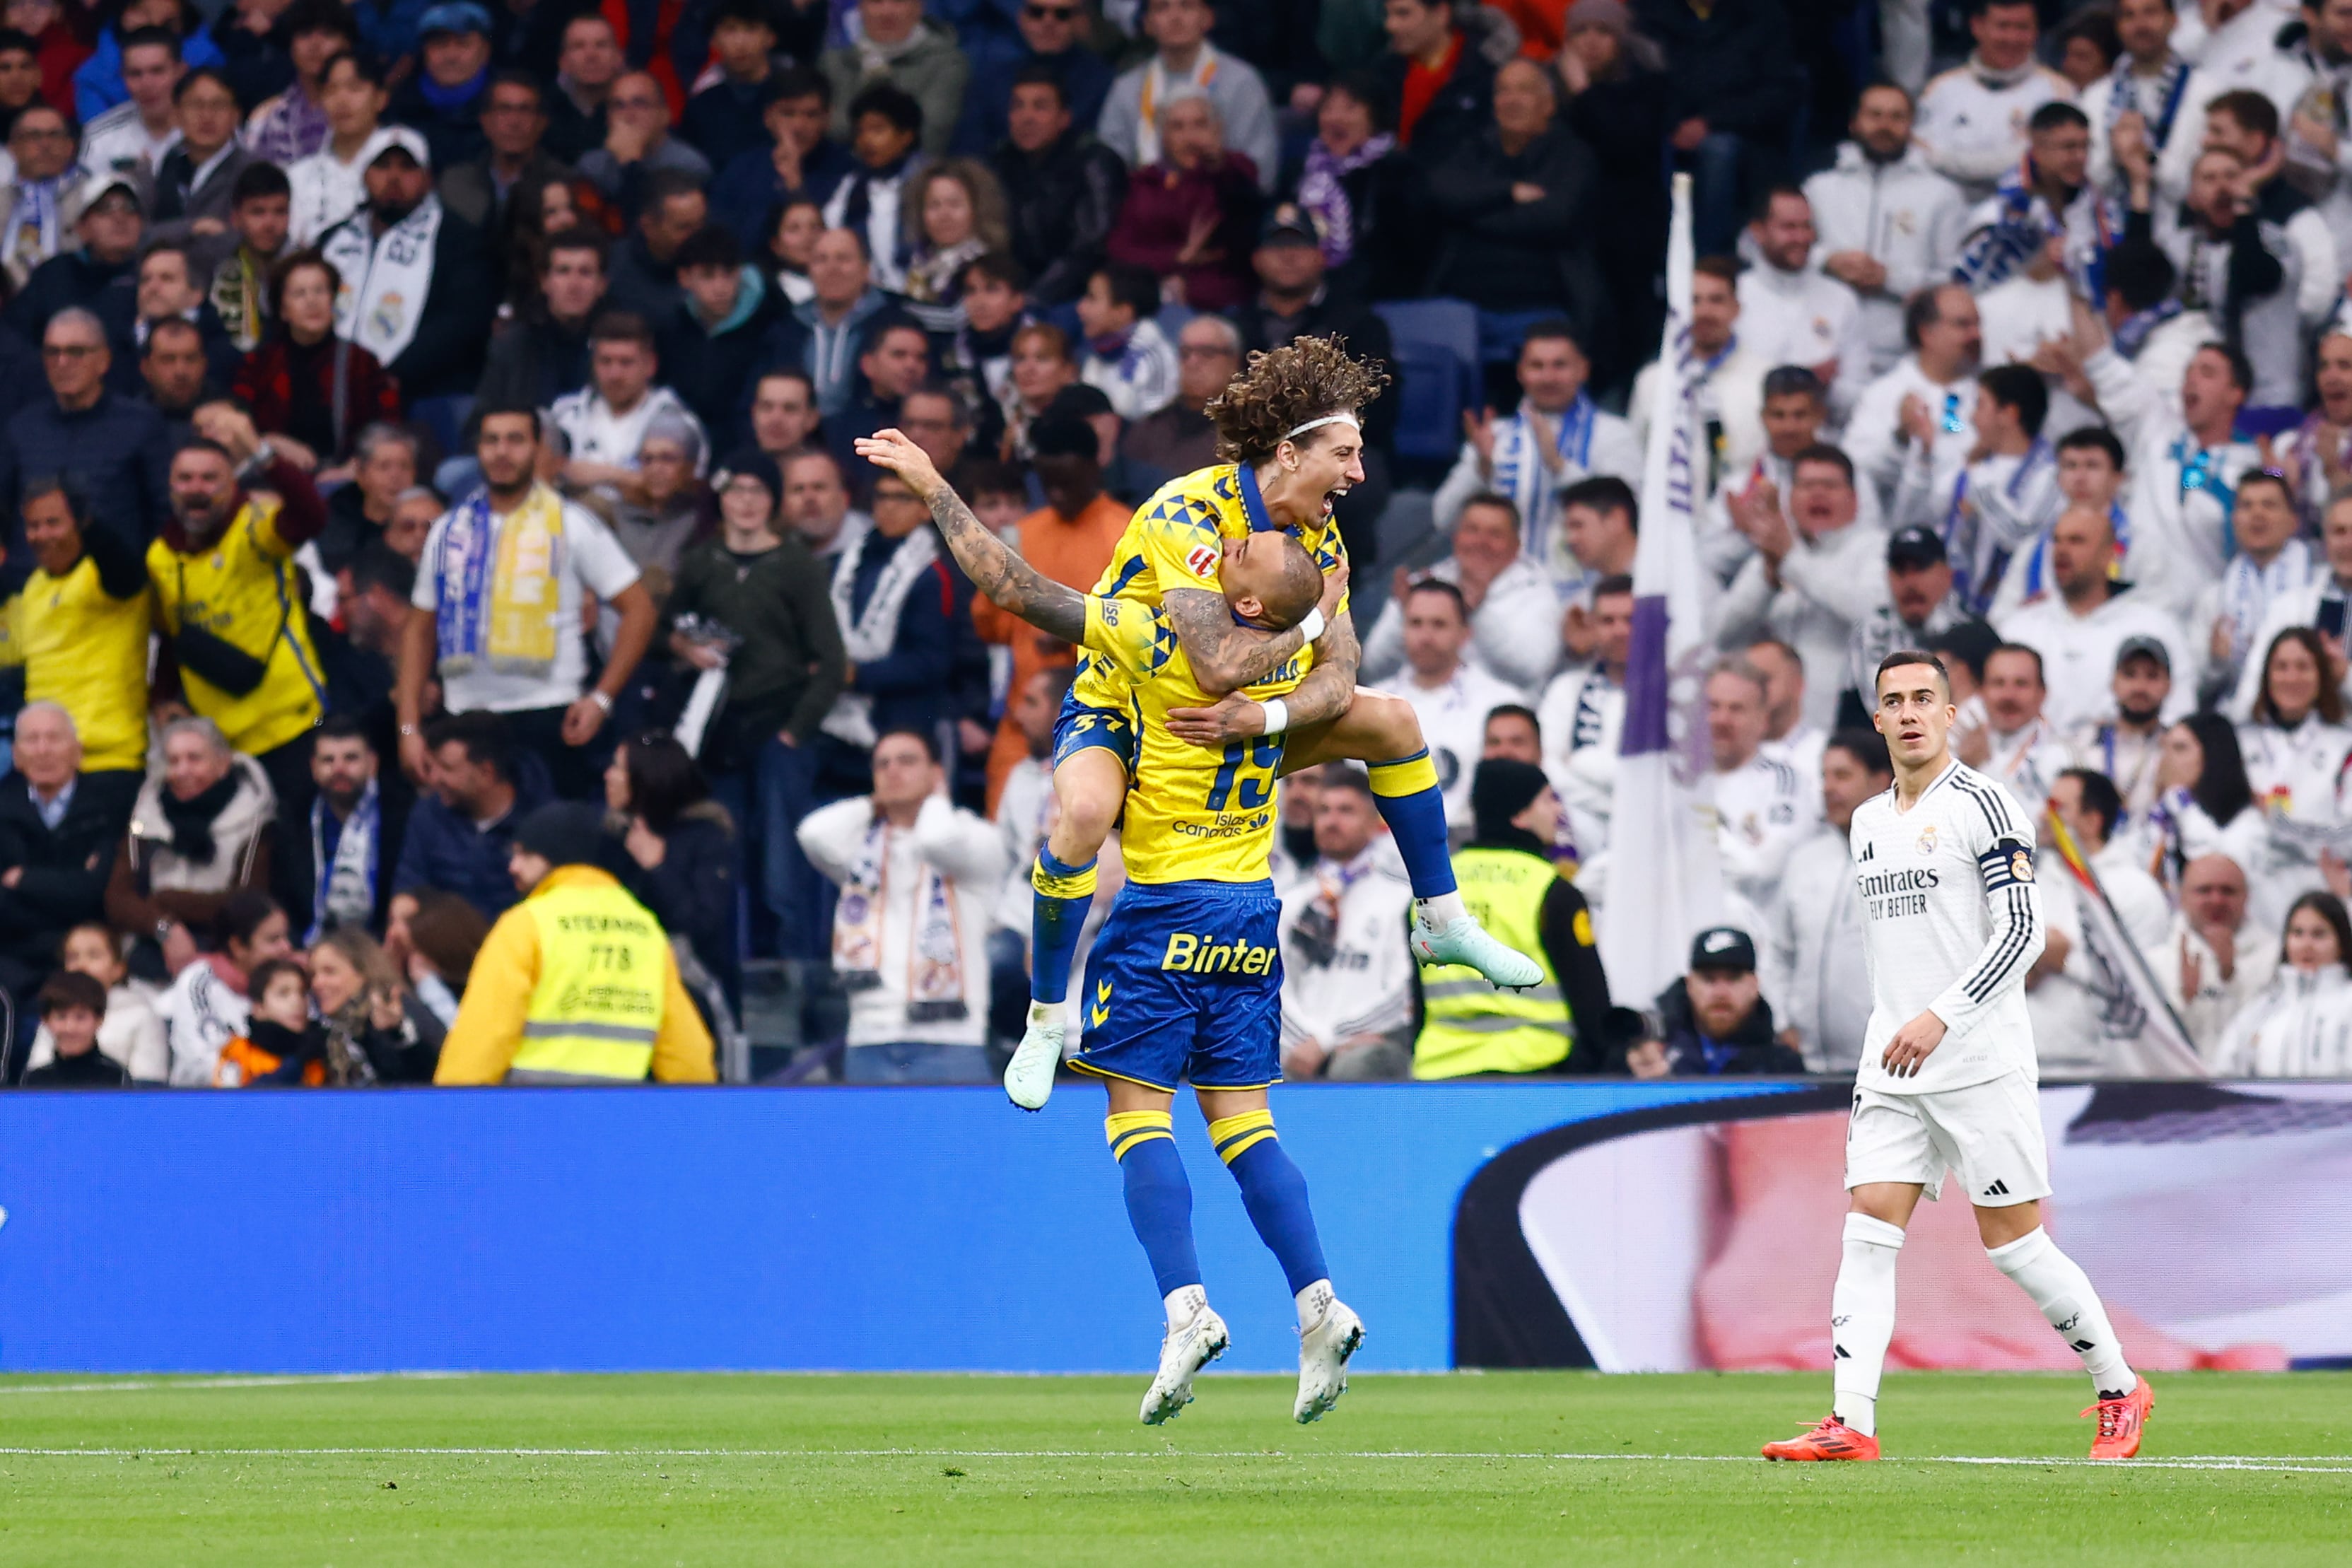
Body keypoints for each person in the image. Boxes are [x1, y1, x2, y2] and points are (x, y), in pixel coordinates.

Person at [848, 423, 1362, 1429]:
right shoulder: (1273, 672)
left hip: (1163, 914)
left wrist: (932, 485)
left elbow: (1013, 585)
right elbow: (1330, 678)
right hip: (1250, 914)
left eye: (1245, 559)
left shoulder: (1160, 637)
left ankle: (1184, 1307)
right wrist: (1310, 637)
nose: (1230, 548)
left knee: (1133, 1116)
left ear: (1244, 604)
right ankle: (1318, 1300)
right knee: (1246, 1126)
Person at [1760, 648, 2152, 1464]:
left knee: (2014, 1244)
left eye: (1923, 698)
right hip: (1893, 1063)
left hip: (1977, 1058)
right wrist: (1899, 1025)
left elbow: (2023, 932)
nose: (1908, 712)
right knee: (1868, 1227)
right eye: (1894, 700)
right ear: (1877, 720)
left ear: (1949, 714)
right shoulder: (1867, 821)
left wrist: (1942, 1016)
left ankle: (2120, 1387)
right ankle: (1851, 1423)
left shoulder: (1986, 804)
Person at [399, 406, 657, 802]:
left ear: (537, 449)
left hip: (551, 715)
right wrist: (409, 727)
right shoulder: (448, 530)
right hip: (467, 717)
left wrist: (602, 699)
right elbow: (419, 629)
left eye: (516, 440)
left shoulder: (573, 523)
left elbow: (640, 608)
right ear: (478, 451)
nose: (503, 451)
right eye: (492, 440)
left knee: (549, 851)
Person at [663, 447, 846, 963]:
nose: (745, 503)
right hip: (718, 737)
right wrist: (684, 648)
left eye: (757, 491)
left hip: (776, 729)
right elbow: (662, 631)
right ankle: (731, 977)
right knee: (724, 858)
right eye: (735, 491)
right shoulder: (702, 562)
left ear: (774, 501)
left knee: (781, 868)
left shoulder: (795, 566)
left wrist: (795, 731)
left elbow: (830, 660)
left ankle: (791, 980)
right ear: (720, 499)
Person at [433, 800, 717, 1084]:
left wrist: (452, 1112)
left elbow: (482, 1040)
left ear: (559, 856)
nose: (513, 866)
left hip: (534, 1119)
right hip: (618, 1120)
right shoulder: (645, 931)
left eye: (526, 854)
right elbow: (688, 1061)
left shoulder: (527, 925)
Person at [145, 410, 329, 816]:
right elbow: (177, 639)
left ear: (231, 486)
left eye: (210, 479)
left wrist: (261, 453)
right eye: (186, 479)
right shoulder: (159, 557)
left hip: (297, 725)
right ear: (170, 488)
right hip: (222, 747)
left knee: (295, 850)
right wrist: (161, 699)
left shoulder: (256, 526)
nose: (197, 489)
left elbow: (311, 515)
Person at [796, 727, 1003, 1082]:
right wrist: (871, 803)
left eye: (907, 761)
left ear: (937, 772)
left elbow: (937, 842)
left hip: (951, 1041)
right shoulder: (861, 853)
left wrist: (937, 799)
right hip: (869, 1037)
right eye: (882, 764)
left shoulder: (975, 839)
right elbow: (812, 834)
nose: (893, 771)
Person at [1413, 757, 1613, 1078]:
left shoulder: (1431, 890)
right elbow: (1591, 1002)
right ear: (1520, 815)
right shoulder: (1552, 892)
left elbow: (1420, 1004)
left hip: (1442, 1072)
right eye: (1548, 800)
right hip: (1535, 1070)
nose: (1558, 812)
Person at [973, 412, 1125, 809]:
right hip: (1022, 723)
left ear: (1094, 468)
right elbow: (988, 627)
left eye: (1068, 482)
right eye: (1047, 483)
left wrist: (1074, 632)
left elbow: (1143, 636)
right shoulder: (1021, 534)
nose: (1057, 493)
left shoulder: (1128, 536)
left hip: (1098, 722)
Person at [1432, 319, 1637, 579]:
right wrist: (1481, 469)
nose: (1548, 377)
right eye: (1537, 366)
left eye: (1559, 365)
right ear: (1520, 372)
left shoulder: (1614, 434)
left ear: (1583, 370)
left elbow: (1628, 521)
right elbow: (1443, 519)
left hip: (1590, 590)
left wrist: (1558, 465)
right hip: (1505, 590)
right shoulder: (1495, 435)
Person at [315, 124, 498, 400]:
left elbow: (461, 323)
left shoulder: (459, 240)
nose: (394, 177)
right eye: (383, 166)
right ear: (365, 175)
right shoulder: (334, 239)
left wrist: (393, 373)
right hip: (331, 384)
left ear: (427, 178)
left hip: (423, 390)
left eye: (407, 168)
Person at [1804, 81, 1972, 380]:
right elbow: (1771, 250)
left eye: (1897, 117)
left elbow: (1957, 279)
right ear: (1854, 123)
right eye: (1875, 115)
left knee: (1953, 424)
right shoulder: (1820, 188)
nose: (1885, 125)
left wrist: (1890, 278)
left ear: (1912, 126)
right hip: (1825, 344)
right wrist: (1827, 262)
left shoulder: (1942, 194)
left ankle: (1954, 427)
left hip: (1908, 353)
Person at [1424, 58, 1596, 346]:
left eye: (1524, 91)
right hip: (1462, 305)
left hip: (1543, 307)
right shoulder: (1475, 148)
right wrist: (1509, 192)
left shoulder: (1572, 155)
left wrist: (1472, 215)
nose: (1511, 100)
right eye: (1503, 91)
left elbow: (1555, 218)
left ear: (1549, 104)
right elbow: (1441, 193)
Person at [1714, 445, 1887, 730]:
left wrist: (1792, 561)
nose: (1818, 494)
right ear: (1790, 499)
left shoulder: (1875, 548)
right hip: (1768, 727)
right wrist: (1768, 578)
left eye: (1830, 485)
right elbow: (1723, 635)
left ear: (1854, 500)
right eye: (1807, 485)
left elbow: (1870, 610)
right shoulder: (1774, 552)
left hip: (1841, 724)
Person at [0, 307, 172, 586]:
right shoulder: (21, 427)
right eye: (52, 352)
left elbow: (163, 514)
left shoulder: (141, 425)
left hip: (109, 593)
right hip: (27, 590)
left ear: (104, 360)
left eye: (76, 352)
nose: (62, 362)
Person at [1760, 730, 1893, 1072]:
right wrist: (1782, 1022)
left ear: (1882, 781)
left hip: (1887, 1068)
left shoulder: (1912, 861)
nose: (1828, 787)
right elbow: (1778, 951)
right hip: (1808, 1066)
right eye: (1824, 776)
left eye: (1843, 776)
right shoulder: (1805, 861)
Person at [104, 713, 276, 976]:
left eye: (195, 759)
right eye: (173, 761)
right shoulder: (146, 814)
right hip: (150, 943)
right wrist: (165, 926)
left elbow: (246, 903)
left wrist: (167, 900)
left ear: (223, 763)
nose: (182, 771)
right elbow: (118, 899)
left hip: (226, 948)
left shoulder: (255, 820)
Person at [1996, 508, 2191, 734]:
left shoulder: (2155, 626)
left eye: (2076, 541)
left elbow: (2178, 716)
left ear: (2108, 554)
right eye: (2057, 541)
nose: (2061, 551)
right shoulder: (2019, 628)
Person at [1275, 768, 1414, 1082]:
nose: (1331, 821)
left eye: (1346, 811)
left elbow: (1403, 992)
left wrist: (1328, 1040)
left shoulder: (1400, 899)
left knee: (1354, 1067)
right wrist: (1304, 1042)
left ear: (1375, 821)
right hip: (1297, 1049)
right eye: (1323, 811)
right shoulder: (1291, 901)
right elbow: (1272, 985)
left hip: (1366, 1047)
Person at [8, 481, 153, 778]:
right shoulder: (34, 586)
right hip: (44, 763)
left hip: (107, 760)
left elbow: (124, 570)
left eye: (53, 523)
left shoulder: (104, 578)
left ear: (80, 524)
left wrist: (92, 526)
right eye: (34, 525)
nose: (42, 535)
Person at [0, 703, 136, 1005]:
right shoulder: (3, 807)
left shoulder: (109, 808)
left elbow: (95, 892)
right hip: (14, 954)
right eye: (32, 740)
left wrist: (23, 879)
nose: (43, 750)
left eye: (54, 738)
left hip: (86, 952)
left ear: (78, 751)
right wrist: (69, 885)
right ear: (17, 756)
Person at [1363, 496, 1558, 695]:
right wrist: (1401, 616)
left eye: (1495, 534)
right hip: (1422, 711)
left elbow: (1531, 671)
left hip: (1502, 716)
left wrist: (1481, 611)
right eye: (1472, 530)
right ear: (1456, 538)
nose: (1481, 542)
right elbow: (1374, 669)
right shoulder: (1423, 584)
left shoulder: (1536, 592)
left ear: (1516, 545)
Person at [231, 250, 403, 472]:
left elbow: (388, 429)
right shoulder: (259, 364)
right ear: (283, 310)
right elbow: (236, 425)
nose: (312, 301)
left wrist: (354, 469)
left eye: (320, 291)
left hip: (348, 480)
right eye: (300, 294)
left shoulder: (361, 361)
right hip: (274, 476)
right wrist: (272, 442)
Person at [604, 730, 737, 1005]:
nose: (608, 776)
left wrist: (659, 868)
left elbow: (704, 927)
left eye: (618, 768)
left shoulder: (707, 838)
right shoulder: (611, 837)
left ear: (646, 778)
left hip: (691, 992)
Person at [1383, 579, 1529, 828]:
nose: (1426, 637)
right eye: (1416, 623)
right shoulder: (1372, 703)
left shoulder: (1501, 702)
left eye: (1439, 625)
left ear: (1465, 633)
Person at [1104, 89, 1260, 315]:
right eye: (1177, 127)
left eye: (1200, 125)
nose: (1190, 137)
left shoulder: (1235, 171)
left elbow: (1245, 216)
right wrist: (1178, 257)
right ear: (1163, 136)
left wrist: (1217, 166)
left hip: (1222, 304)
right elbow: (1120, 249)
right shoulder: (1145, 182)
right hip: (1152, 301)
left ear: (1217, 130)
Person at [1098, 0, 1277, 194]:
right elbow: (1108, 173)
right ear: (1147, 23)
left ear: (1208, 18)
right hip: (1145, 211)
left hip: (1226, 210)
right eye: (1162, 7)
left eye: (1187, 6)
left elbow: (1262, 175)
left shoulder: (1242, 83)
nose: (1176, 17)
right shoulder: (1126, 89)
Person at [988, 62, 1125, 308]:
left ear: (1064, 118)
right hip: (1015, 294)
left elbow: (1089, 248)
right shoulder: (1000, 163)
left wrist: (1034, 298)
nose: (1027, 117)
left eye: (1040, 107)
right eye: (1018, 107)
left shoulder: (1094, 162)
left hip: (1080, 296)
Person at [394, 710, 551, 919]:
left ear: (486, 773)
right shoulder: (428, 814)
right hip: (447, 943)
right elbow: (409, 883)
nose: (434, 779)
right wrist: (401, 918)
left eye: (447, 768)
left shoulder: (543, 820)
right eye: (434, 767)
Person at [281, 712, 406, 944]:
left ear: (373, 764)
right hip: (308, 946)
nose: (339, 769)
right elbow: (283, 898)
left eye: (351, 759)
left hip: (380, 945)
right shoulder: (294, 816)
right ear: (314, 768)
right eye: (328, 760)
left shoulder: (399, 815)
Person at [1623, 925, 1806, 1076]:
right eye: (1709, 979)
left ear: (1754, 986)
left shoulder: (1783, 1067)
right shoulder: (1651, 1049)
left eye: (1733, 979)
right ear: (1689, 985)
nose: (1720, 993)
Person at [2146, 851, 2276, 1063]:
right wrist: (2186, 1001)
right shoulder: (2154, 964)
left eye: (2228, 891)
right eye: (2204, 891)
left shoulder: (2276, 958)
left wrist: (2231, 979)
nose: (2216, 900)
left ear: (2246, 897)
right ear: (2182, 897)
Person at [2210, 890, 2352, 1075]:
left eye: (2319, 934)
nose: (2306, 944)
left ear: (2341, 942)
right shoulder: (2261, 1009)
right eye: (2298, 933)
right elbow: (2226, 1072)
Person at [474, 228, 606, 416]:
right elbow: (483, 419)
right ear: (545, 281)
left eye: (585, 272)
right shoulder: (514, 345)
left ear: (602, 284)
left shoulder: (620, 344)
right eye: (563, 271)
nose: (574, 285)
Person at [817, 0, 968, 160]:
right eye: (876, 2)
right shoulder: (834, 63)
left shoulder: (946, 63)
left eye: (898, 2)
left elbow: (930, 135)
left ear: (918, 8)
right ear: (860, 9)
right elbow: (819, 128)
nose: (887, 12)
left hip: (914, 175)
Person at [20, 923, 167, 1083]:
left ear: (118, 968)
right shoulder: (55, 1011)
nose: (82, 964)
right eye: (73, 957)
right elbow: (39, 1077)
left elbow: (149, 1085)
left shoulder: (142, 1013)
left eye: (94, 955)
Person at [438, 71, 569, 236]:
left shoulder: (564, 182)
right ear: (485, 121)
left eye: (525, 110)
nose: (514, 122)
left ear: (542, 123)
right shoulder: (456, 183)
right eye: (504, 110)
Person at [284, 52, 389, 247]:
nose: (342, 100)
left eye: (355, 88)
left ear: (381, 99)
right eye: (331, 90)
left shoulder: (404, 165)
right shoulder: (298, 176)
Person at [577, 69, 711, 215]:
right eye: (618, 106)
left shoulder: (688, 166)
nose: (628, 116)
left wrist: (630, 163)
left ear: (664, 115)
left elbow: (651, 226)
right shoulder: (591, 167)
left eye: (640, 104)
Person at [1121, 312, 1232, 485]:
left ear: (1234, 361)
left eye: (1207, 353)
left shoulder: (1246, 433)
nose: (1192, 362)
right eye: (1185, 353)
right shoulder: (1148, 430)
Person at [1075, 260, 1178, 422]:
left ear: (1123, 312)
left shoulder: (1155, 358)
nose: (1080, 307)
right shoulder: (1099, 351)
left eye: (1092, 298)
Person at [0, 102, 84, 291]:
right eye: (34, 136)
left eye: (54, 135)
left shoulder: (91, 198)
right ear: (13, 148)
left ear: (70, 146)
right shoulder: (2, 199)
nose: (45, 145)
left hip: (71, 297)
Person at [20, 970, 129, 1087]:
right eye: (61, 1017)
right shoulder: (33, 1080)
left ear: (99, 1020)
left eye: (80, 1018)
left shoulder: (116, 1078)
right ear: (46, 1020)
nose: (70, 1028)